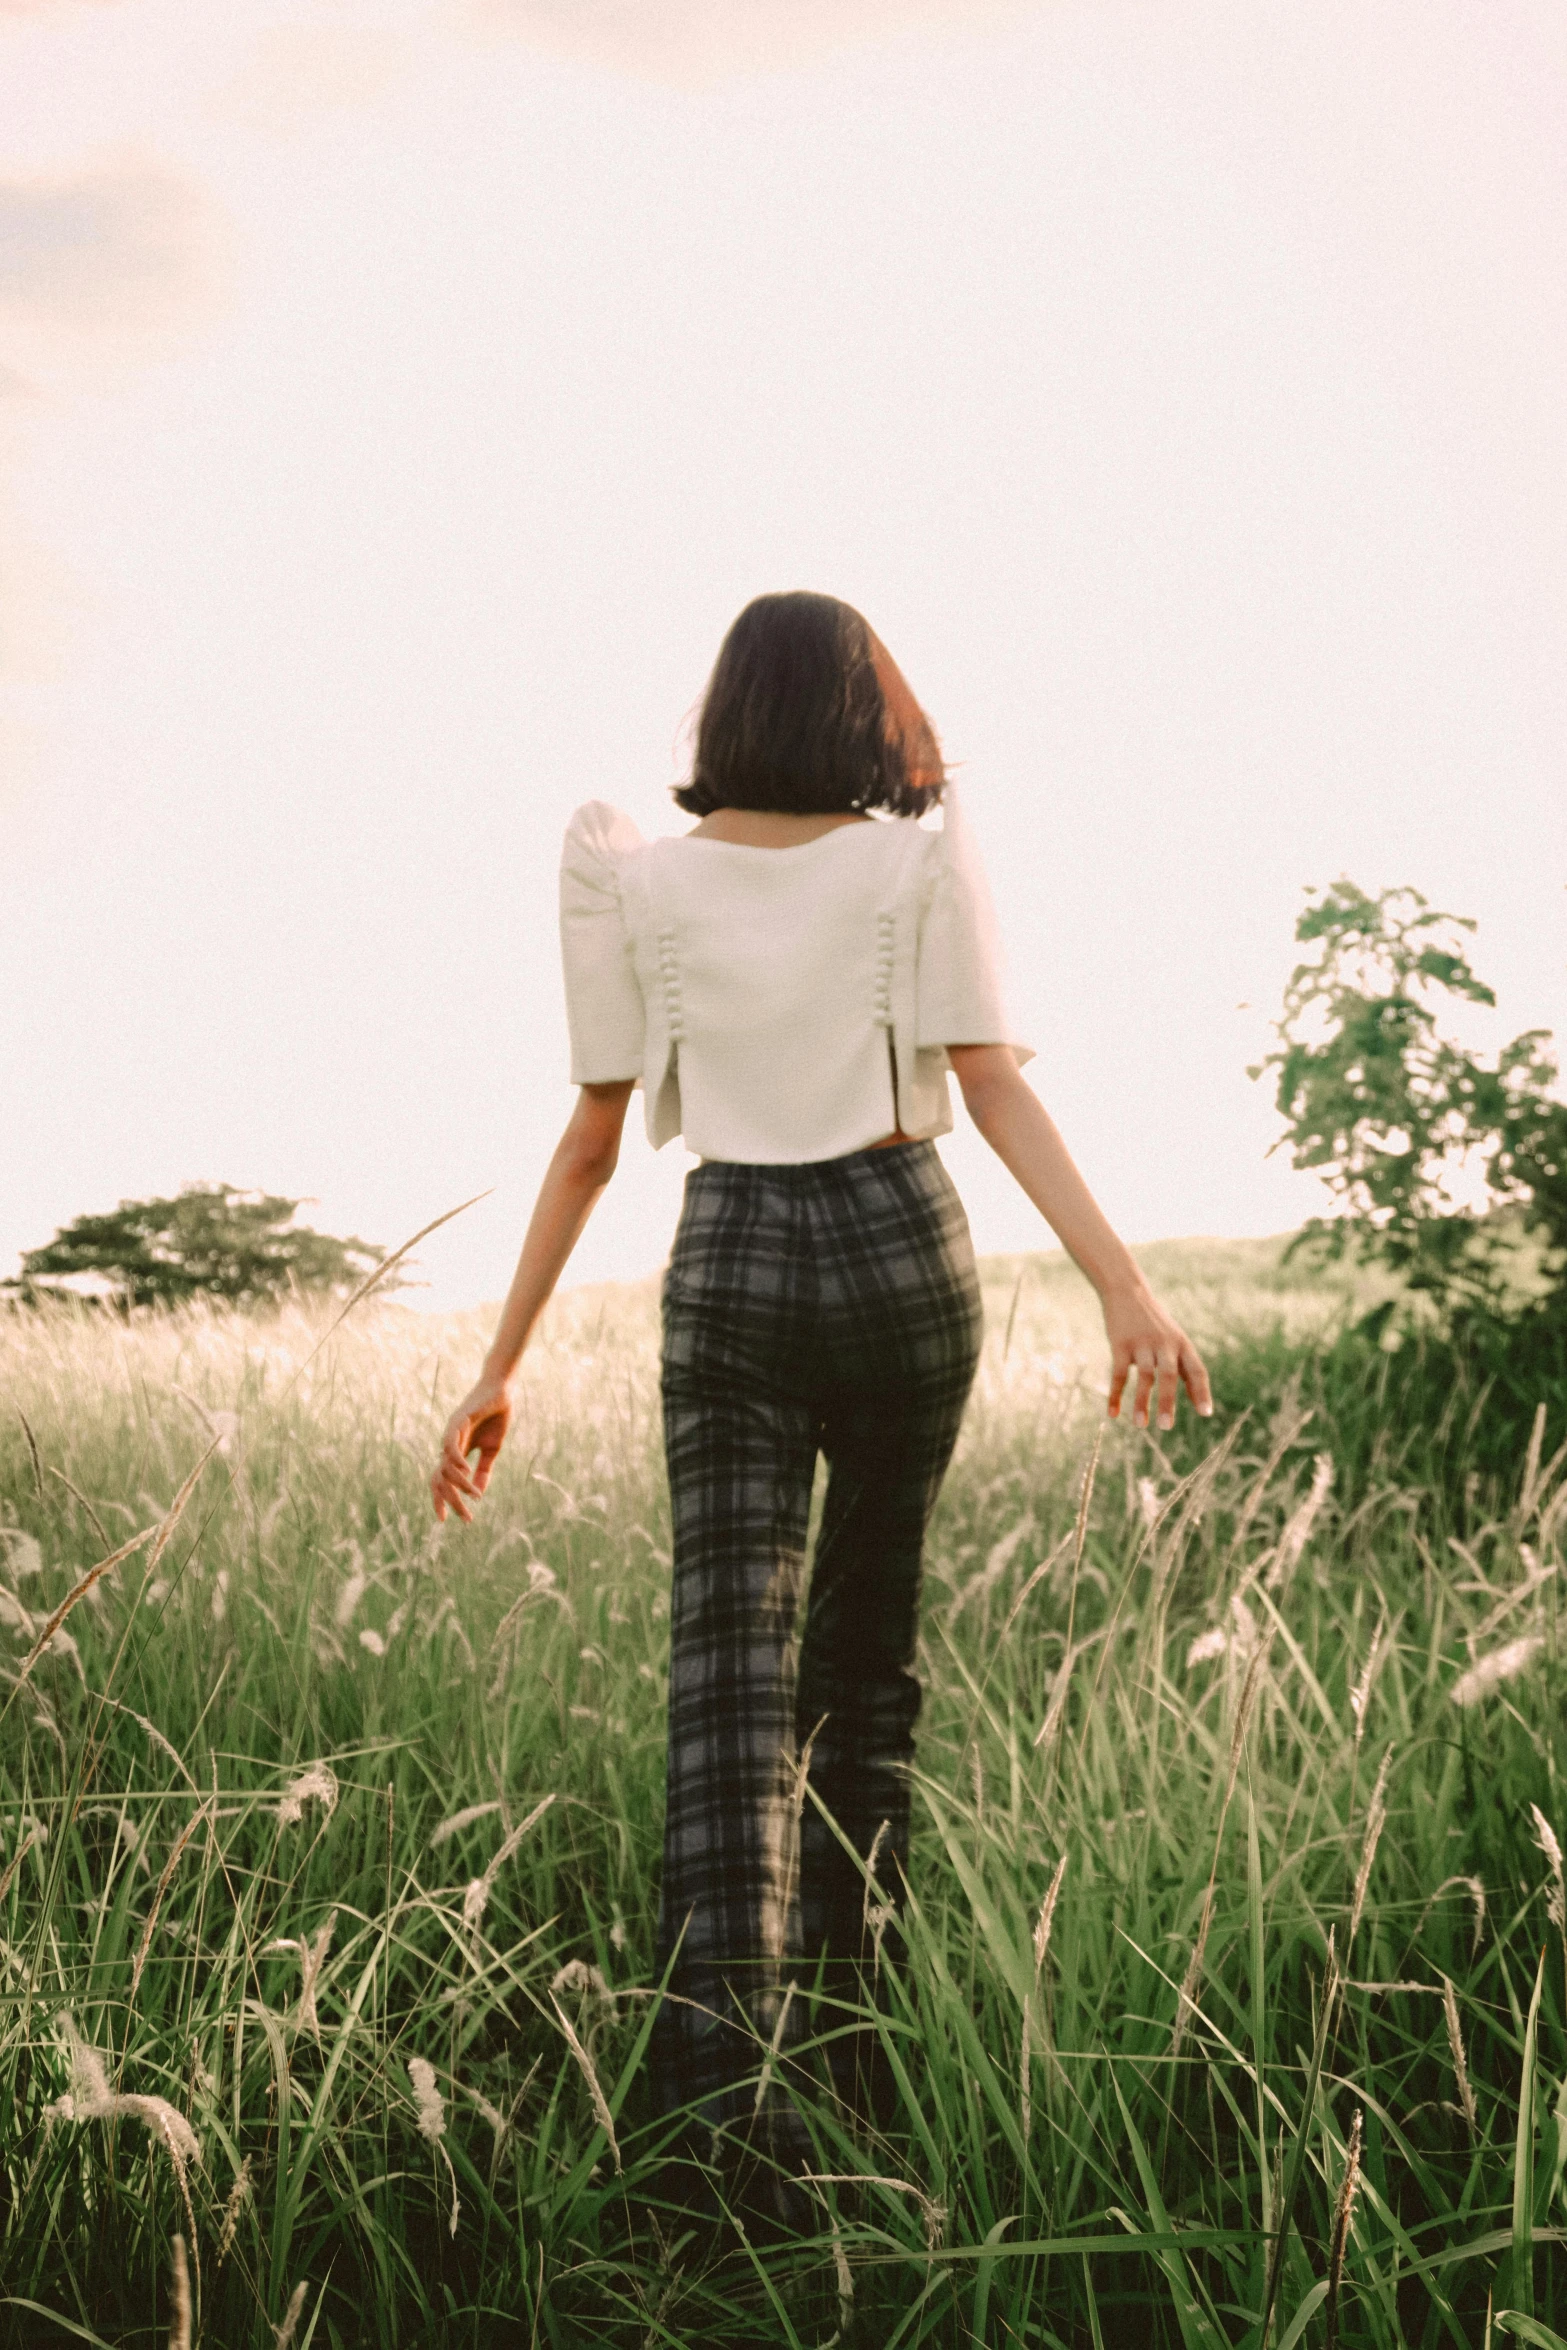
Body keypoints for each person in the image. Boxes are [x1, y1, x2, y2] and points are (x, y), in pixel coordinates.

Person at [430, 590, 1211, 2232]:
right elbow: (988, 1078)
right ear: (869, 711)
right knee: (869, 1654)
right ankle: (856, 2056)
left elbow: (589, 1134)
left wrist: (497, 1361)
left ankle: (724, 2124)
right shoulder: (918, 858)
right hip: (896, 1241)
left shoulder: (629, 878)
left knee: (726, 1681)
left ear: (721, 715)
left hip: (729, 1259)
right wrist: (1121, 1282)